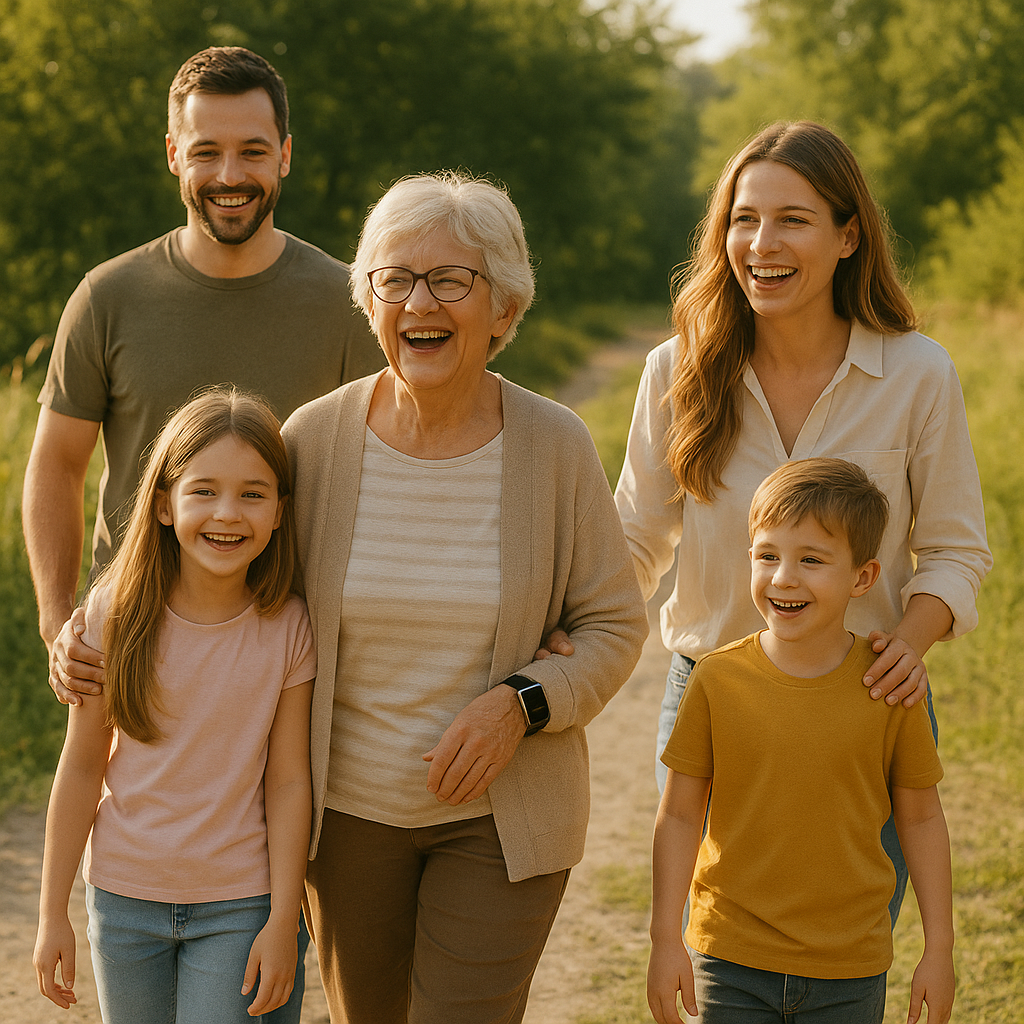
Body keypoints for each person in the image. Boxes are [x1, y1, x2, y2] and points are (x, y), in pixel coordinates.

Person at [279, 170, 648, 1023]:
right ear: (371, 302)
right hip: (346, 818)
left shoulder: (555, 446)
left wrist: (522, 702)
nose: (420, 302)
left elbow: (613, 624)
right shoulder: (313, 441)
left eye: (450, 280)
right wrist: (107, 625)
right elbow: (235, 593)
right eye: (396, 279)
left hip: (501, 822)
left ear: (504, 307)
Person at [609, 120, 990, 922]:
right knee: (718, 944)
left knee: (849, 942)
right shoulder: (677, 370)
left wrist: (907, 646)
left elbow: (954, 550)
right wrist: (564, 635)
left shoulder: (918, 374)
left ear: (848, 237)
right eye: (744, 219)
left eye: (793, 219)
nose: (762, 243)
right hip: (715, 700)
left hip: (864, 704)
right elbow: (634, 539)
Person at [23, 44, 383, 702]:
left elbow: (394, 476)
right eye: (206, 152)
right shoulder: (107, 298)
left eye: (252, 151)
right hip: (127, 649)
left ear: (285, 155)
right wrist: (58, 623)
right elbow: (57, 465)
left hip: (288, 657)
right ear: (173, 154)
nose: (229, 174)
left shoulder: (350, 305)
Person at [32, 390, 315, 1023]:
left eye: (253, 494)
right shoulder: (115, 614)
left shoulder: (288, 627)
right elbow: (82, 765)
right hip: (123, 902)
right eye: (203, 490)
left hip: (240, 903)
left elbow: (289, 779)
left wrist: (283, 917)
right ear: (164, 504)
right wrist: (52, 914)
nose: (227, 513)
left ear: (279, 511)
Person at [647, 458, 954, 1024]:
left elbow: (922, 820)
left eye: (811, 559)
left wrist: (940, 949)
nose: (784, 577)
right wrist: (665, 940)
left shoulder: (890, 687)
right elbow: (681, 816)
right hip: (728, 958)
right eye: (768, 556)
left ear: (863, 577)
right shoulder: (715, 680)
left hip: (849, 968)